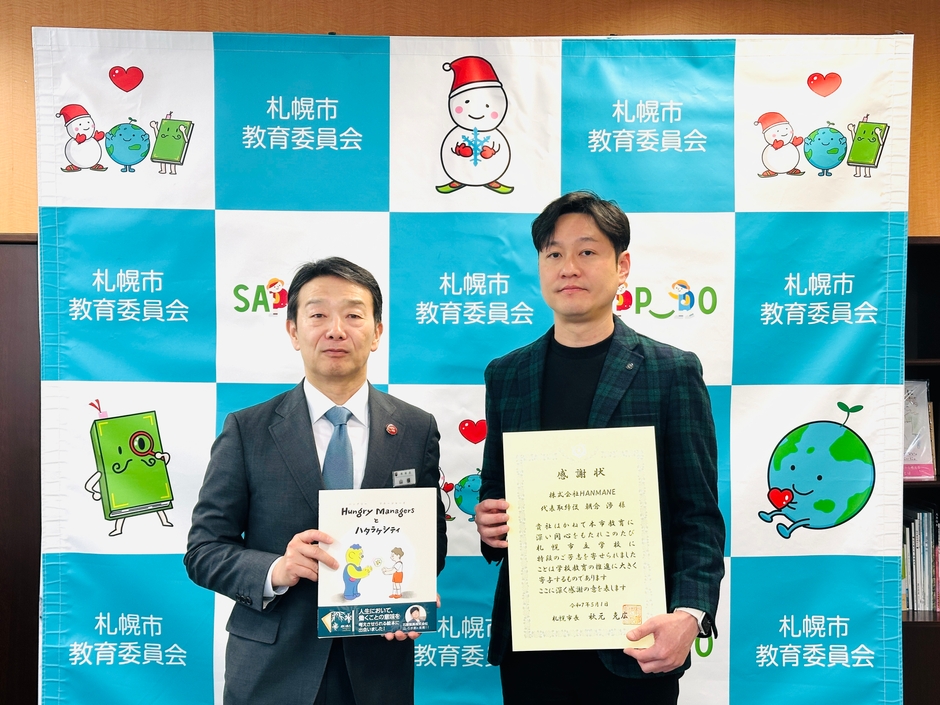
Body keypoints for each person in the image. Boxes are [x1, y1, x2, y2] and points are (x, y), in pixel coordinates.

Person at [474, 192, 724, 705]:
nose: (569, 267)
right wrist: (490, 524)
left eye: (587, 251)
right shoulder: (507, 375)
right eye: (554, 253)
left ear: (622, 266)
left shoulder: (671, 372)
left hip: (636, 645)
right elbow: (497, 489)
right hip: (533, 647)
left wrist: (690, 615)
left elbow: (698, 514)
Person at [185, 257, 447, 705]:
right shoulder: (247, 429)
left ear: (377, 332)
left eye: (353, 315)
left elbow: (431, 541)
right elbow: (204, 550)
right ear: (293, 331)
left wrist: (411, 590)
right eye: (318, 314)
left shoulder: (415, 428)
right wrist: (277, 570)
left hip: (376, 667)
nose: (336, 330)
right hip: (272, 670)